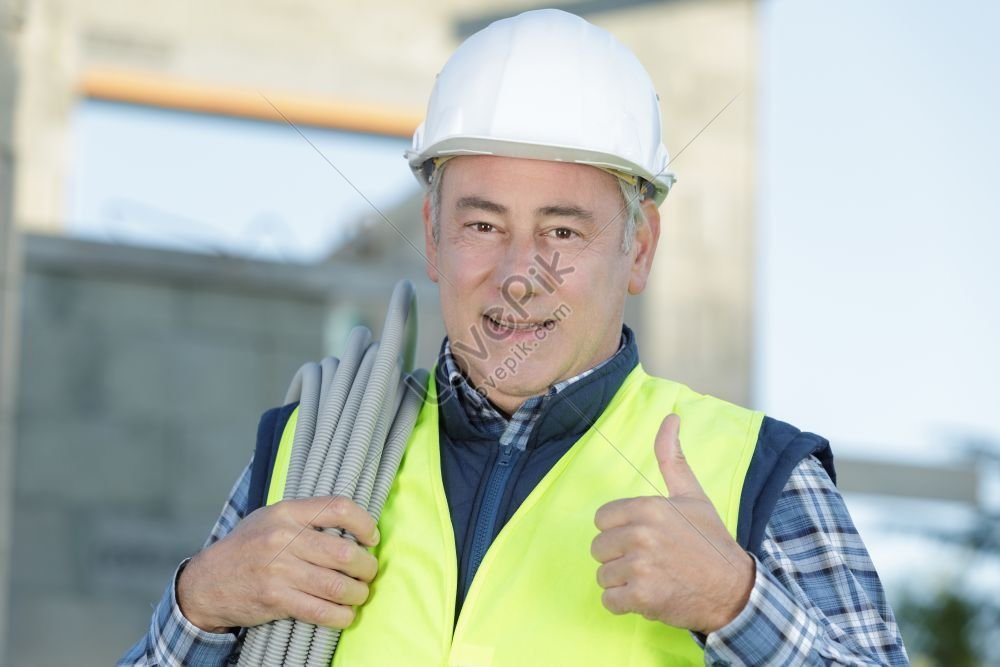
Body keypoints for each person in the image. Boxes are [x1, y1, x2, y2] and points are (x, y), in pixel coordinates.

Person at [121, 9, 908, 666]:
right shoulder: (304, 455)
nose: (519, 273)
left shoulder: (757, 476)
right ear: (432, 237)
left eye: (563, 229)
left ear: (638, 248)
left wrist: (737, 603)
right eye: (483, 224)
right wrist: (202, 602)